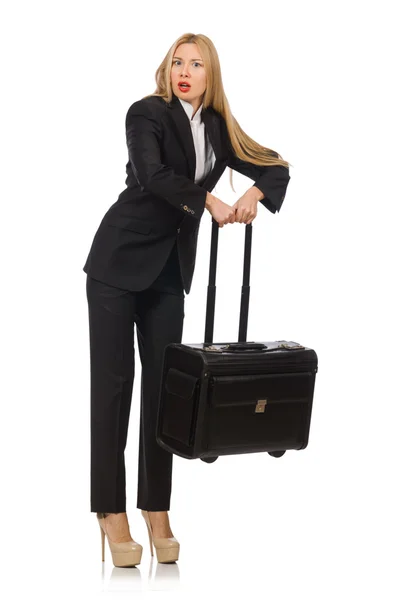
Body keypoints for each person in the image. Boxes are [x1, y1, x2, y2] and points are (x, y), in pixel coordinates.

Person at [83, 32, 291, 567]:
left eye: (196, 64)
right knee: (113, 391)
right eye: (178, 61)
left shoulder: (220, 128)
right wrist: (210, 201)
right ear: (167, 69)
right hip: (117, 263)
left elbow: (273, 164)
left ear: (210, 74)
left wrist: (252, 193)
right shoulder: (146, 113)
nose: (185, 70)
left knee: (164, 395)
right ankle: (110, 512)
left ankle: (157, 510)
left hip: (168, 273)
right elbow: (152, 175)